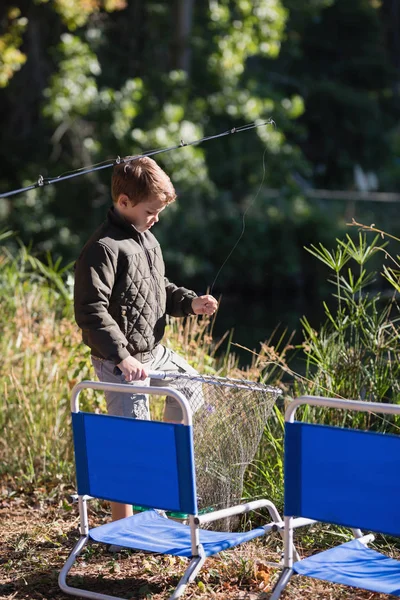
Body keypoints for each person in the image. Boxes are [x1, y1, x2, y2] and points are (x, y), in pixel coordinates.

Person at [74, 155, 218, 522]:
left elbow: (158, 290)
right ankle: (123, 526)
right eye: (151, 211)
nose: (156, 218)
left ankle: (159, 478)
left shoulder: (147, 239)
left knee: (191, 390)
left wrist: (191, 303)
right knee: (130, 438)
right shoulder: (103, 248)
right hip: (120, 361)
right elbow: (91, 310)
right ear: (124, 203)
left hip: (155, 352)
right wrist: (122, 357)